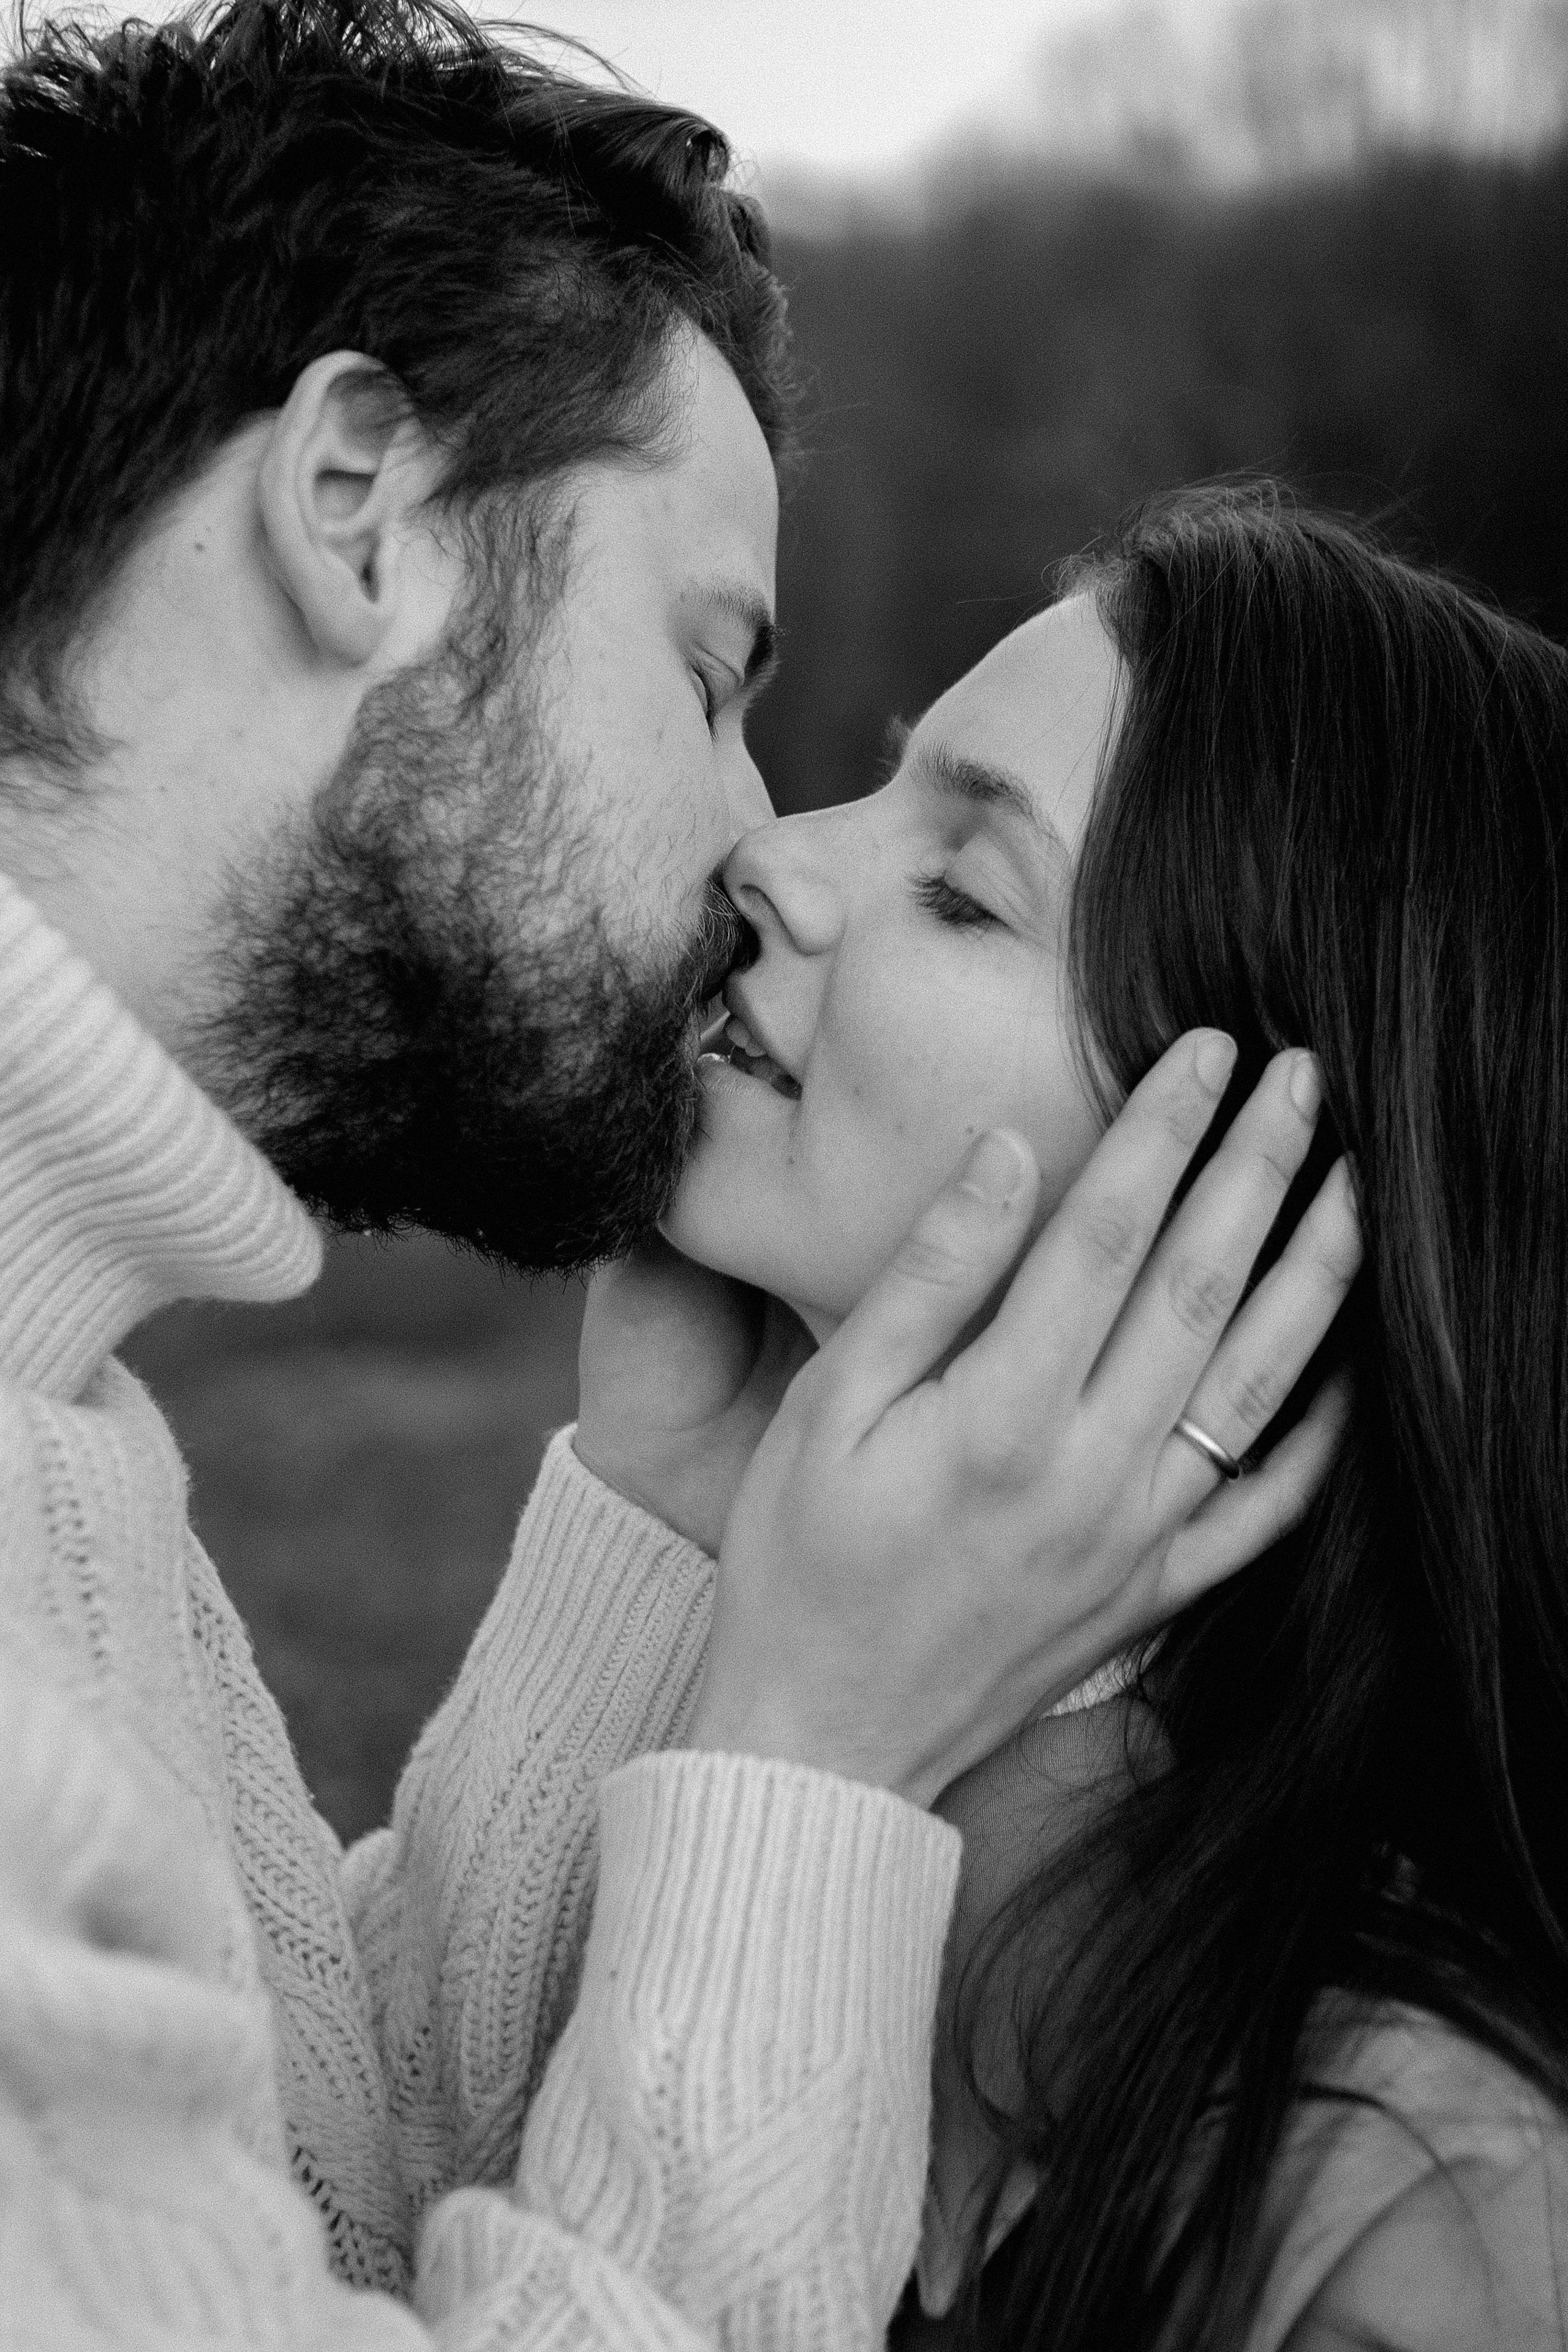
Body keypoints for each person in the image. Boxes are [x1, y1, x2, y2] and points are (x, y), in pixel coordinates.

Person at [0, 2, 1359, 2342]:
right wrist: (814, 1752)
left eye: (963, 880)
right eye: (709, 669)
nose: (753, 844)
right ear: (360, 513)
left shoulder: (63, 1441)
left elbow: (328, 2227)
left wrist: (657, 1526)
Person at [575, 485, 1567, 2349]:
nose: (776, 859)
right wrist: (656, 1527)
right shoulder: (748, 1734)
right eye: (878, 789)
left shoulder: (1413, 2217)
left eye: (964, 888)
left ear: (1269, 1213)